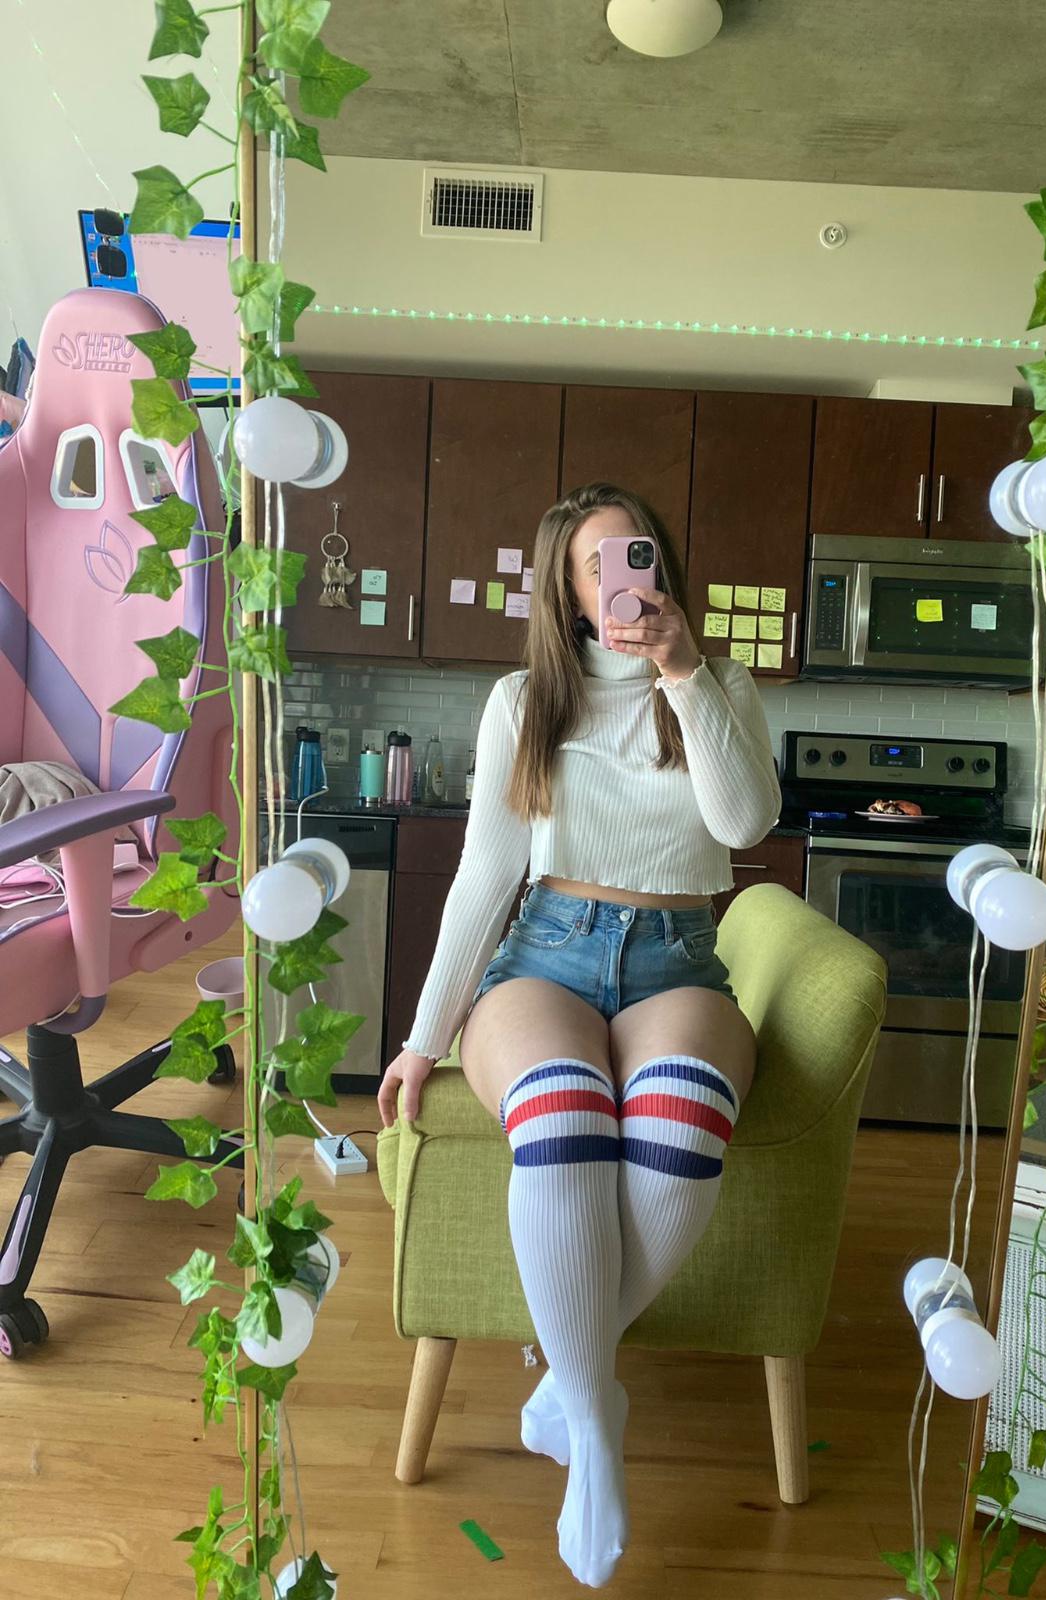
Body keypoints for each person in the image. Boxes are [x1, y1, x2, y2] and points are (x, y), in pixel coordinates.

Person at [378, 482, 782, 1587]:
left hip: (677, 958)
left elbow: (745, 823)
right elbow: (484, 877)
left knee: (680, 1132)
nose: (621, 586)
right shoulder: (525, 699)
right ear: (567, 593)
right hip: (546, 951)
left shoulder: (721, 686)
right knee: (563, 1124)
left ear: (663, 567)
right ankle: (597, 1434)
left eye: (634, 558)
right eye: (594, 569)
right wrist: (423, 1035)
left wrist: (683, 673)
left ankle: (572, 1374)